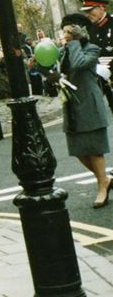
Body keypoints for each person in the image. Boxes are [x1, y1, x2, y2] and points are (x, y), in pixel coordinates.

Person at [52, 15, 112, 208]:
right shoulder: (63, 51)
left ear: (81, 32)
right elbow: (59, 71)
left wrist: (74, 43)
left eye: (70, 31)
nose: (66, 35)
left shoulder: (92, 49)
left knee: (95, 151)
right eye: (64, 31)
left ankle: (102, 186)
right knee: (78, 150)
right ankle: (104, 178)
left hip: (89, 103)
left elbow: (79, 63)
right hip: (71, 105)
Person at [80, 0, 113, 114]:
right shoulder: (90, 28)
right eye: (85, 12)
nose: (87, 14)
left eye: (90, 11)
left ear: (101, 8)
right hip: (103, 79)